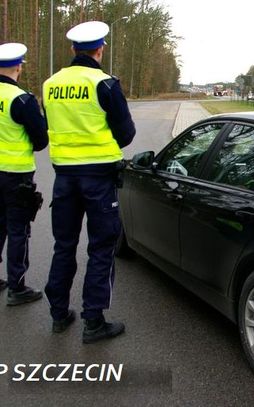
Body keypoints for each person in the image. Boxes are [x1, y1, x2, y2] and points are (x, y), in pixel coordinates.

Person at [42, 21, 136, 343]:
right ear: (100, 49)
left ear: (72, 49)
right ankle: (93, 322)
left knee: (63, 246)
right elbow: (126, 134)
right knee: (101, 247)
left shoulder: (50, 84)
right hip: (98, 179)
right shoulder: (105, 84)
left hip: (64, 178)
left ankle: (58, 315)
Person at [0, 42, 48, 306]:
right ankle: (17, 287)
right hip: (16, 174)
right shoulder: (22, 100)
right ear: (18, 66)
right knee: (18, 229)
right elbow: (40, 141)